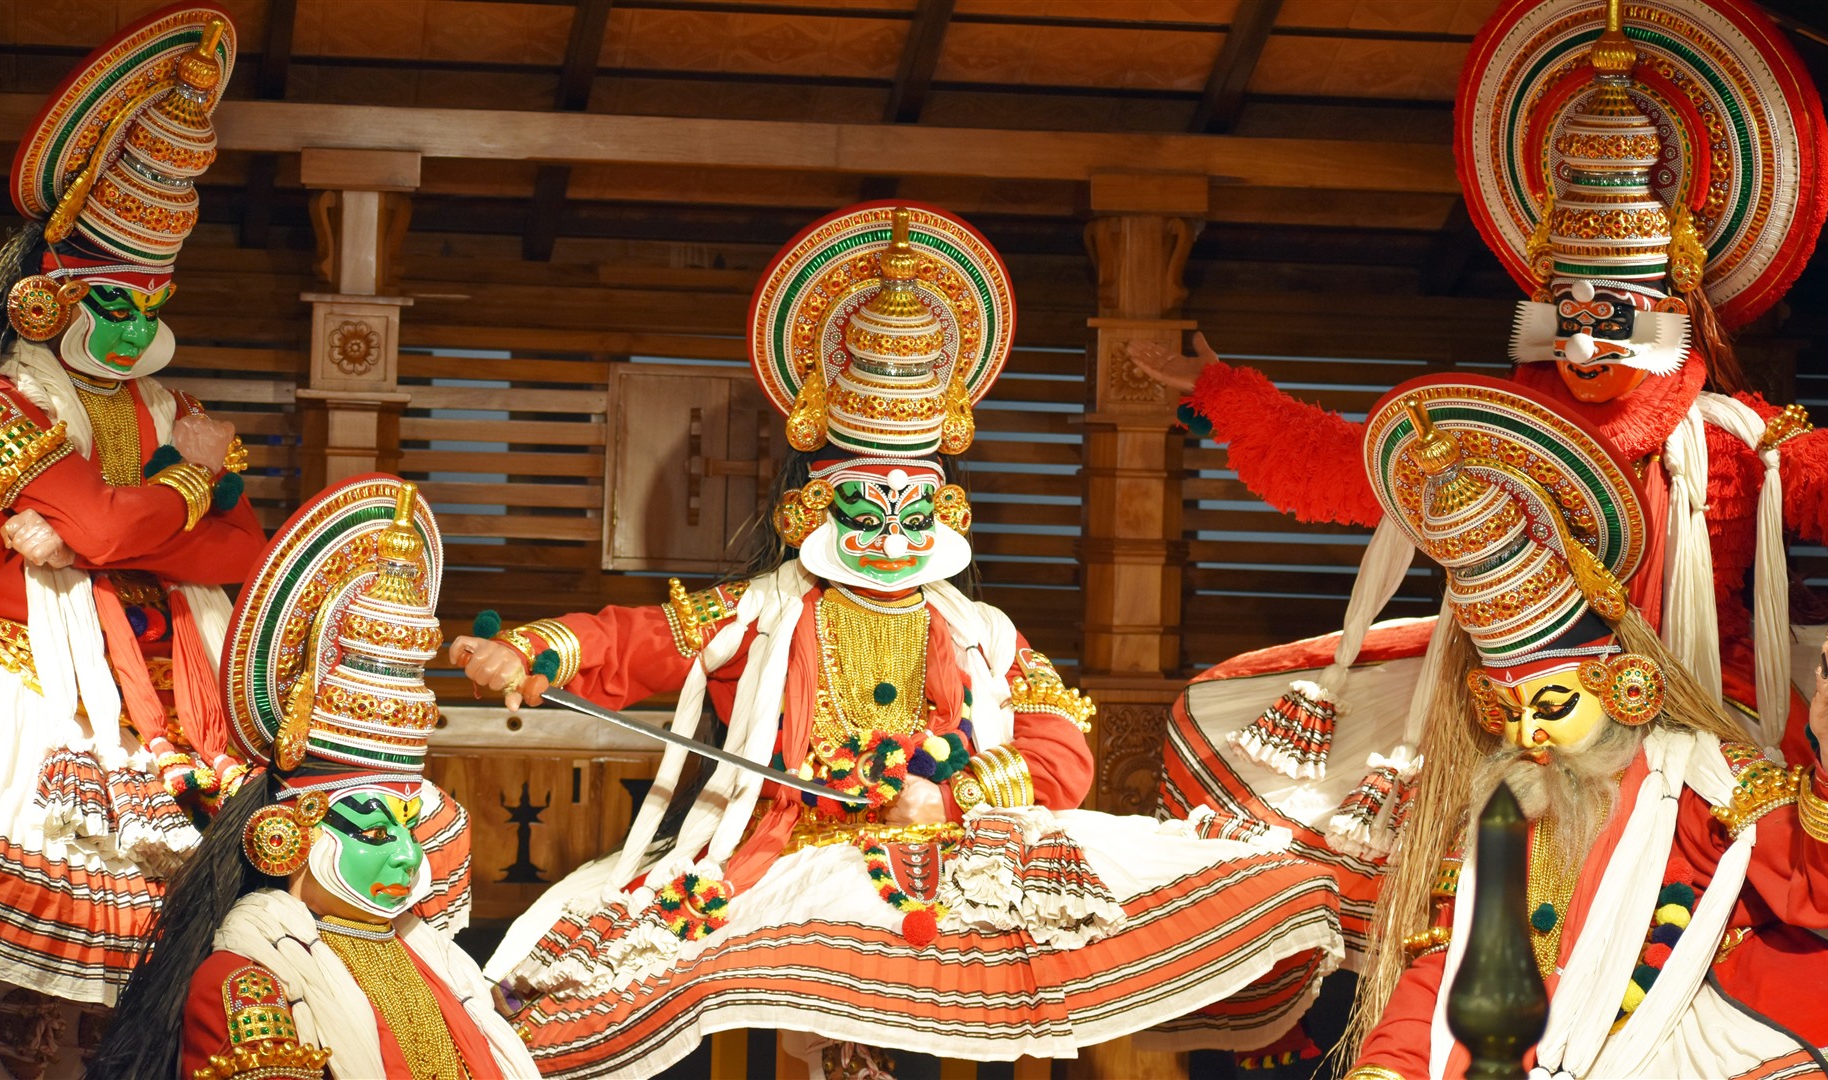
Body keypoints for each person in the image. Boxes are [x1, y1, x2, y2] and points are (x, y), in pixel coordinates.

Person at [453, 203, 1345, 1079]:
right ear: (813, 506)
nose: (889, 531)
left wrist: (946, 799)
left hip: (956, 858)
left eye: (911, 505)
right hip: (791, 858)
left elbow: (1060, 747)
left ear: (944, 509)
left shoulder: (982, 634)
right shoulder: (763, 615)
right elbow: (633, 639)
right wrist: (531, 654)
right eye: (865, 505)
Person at [1139, 0, 1828, 955]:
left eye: (1617, 313)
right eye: (1567, 310)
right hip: (1512, 702)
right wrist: (1222, 390)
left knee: (1759, 910)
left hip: (1691, 705)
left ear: (1670, 307)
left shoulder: (1728, 438)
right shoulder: (1484, 438)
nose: (1587, 339)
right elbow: (1346, 468)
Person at [1339, 373, 1828, 1080]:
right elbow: (1448, 963)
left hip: (1673, 1032)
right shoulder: (1494, 820)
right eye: (1505, 714)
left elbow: (1826, 892)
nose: (1526, 739)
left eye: (1550, 709)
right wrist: (1386, 1066)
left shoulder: (1695, 780)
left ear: (1621, 691)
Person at [0, 3, 270, 1022]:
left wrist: (96, 532)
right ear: (48, 301)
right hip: (34, 673)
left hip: (169, 682)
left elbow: (244, 551)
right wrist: (181, 489)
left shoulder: (174, 411)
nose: (136, 323)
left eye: (149, 304)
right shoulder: (8, 402)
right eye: (115, 301)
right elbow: (123, 531)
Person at [88, 477, 539, 1080]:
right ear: (289, 834)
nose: (411, 859)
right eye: (377, 835)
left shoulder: (437, 965)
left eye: (414, 834)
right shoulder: (250, 981)